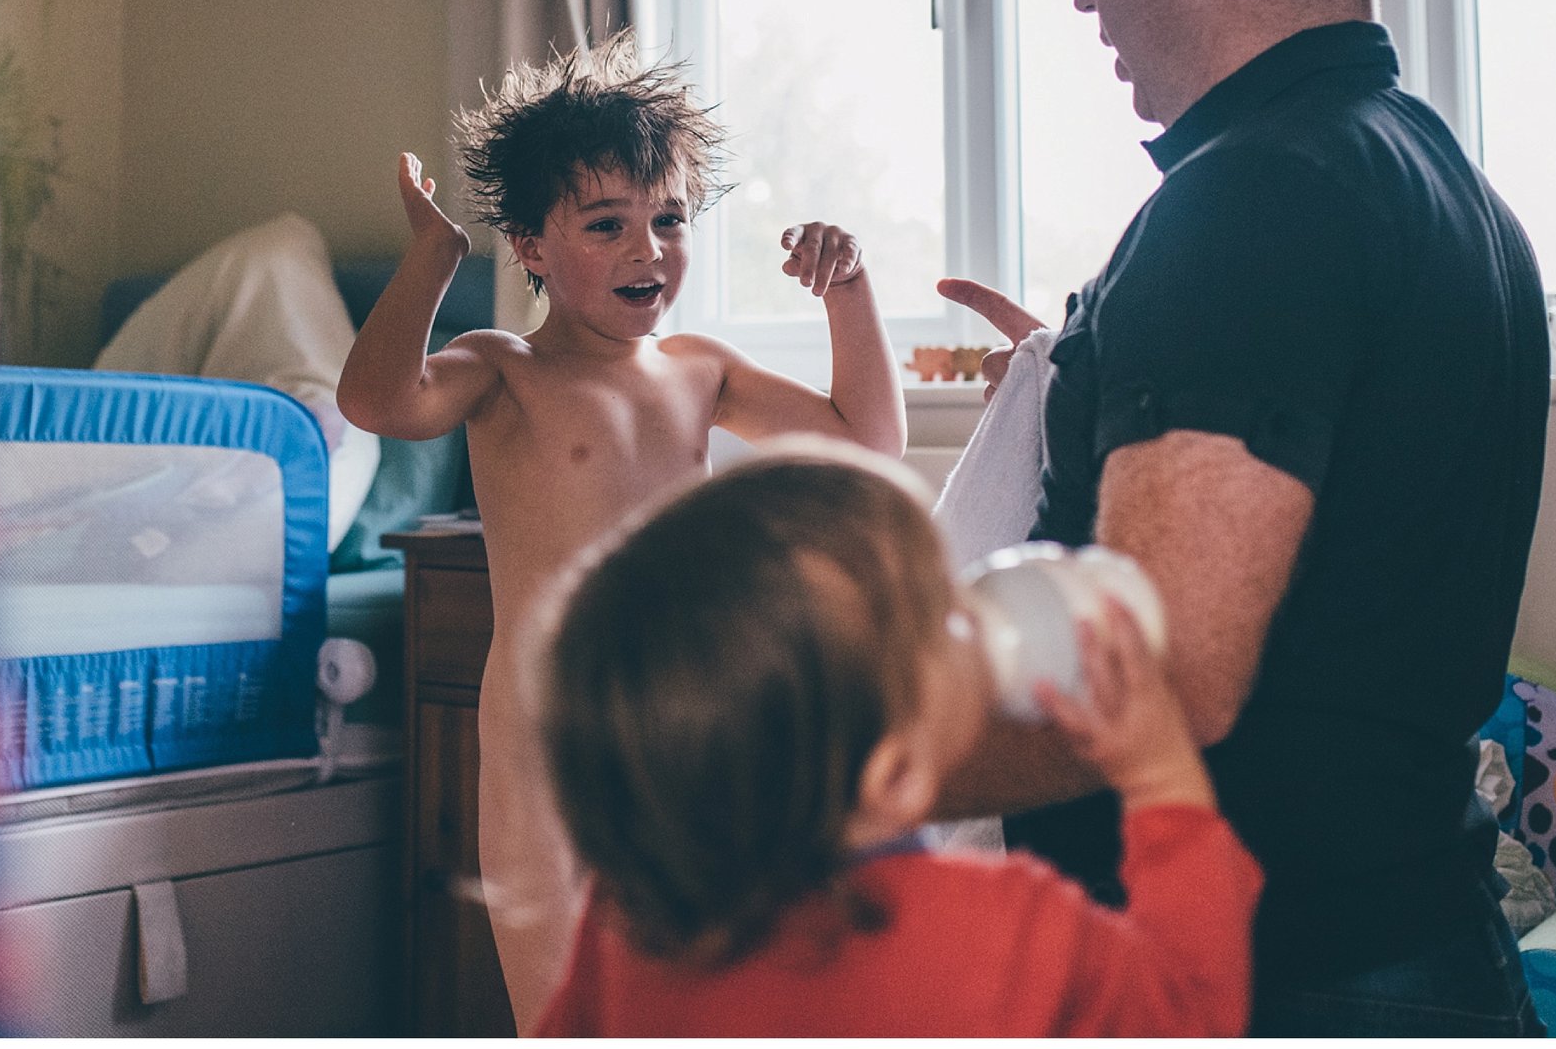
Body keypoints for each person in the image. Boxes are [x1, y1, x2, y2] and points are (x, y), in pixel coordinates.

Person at [935, 0, 1550, 1035]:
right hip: (1415, 938)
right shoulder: (1450, 192)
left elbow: (1166, 671)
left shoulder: (1248, 196)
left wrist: (832, 760)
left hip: (1280, 980)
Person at [337, 34, 907, 1026]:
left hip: (687, 727)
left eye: (669, 219)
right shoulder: (504, 367)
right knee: (567, 1011)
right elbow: (379, 399)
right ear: (529, 246)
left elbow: (866, 440)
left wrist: (849, 293)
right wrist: (433, 257)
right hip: (544, 743)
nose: (650, 249)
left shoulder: (698, 368)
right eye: (607, 224)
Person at [534, 443, 1262, 1037]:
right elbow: (1191, 1012)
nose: (972, 608)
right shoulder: (1010, 930)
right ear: (895, 777)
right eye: (942, 611)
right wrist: (1161, 780)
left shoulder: (630, 915)